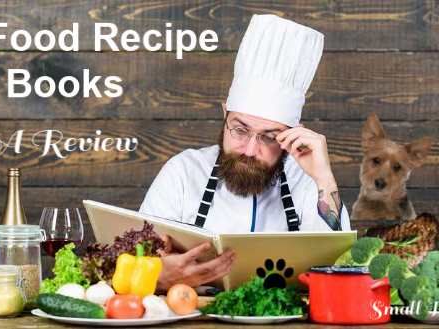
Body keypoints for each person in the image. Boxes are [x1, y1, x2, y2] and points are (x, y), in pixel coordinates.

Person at [139, 14, 351, 290]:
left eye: (269, 137)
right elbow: (137, 258)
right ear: (225, 113)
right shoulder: (183, 172)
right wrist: (157, 277)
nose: (250, 150)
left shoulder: (307, 181)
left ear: (292, 133)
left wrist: (323, 178)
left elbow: (339, 270)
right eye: (240, 129)